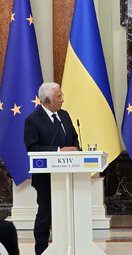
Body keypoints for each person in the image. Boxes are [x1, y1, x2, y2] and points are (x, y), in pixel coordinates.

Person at [24, 82, 79, 255]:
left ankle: (69, 247)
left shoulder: (64, 115)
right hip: (46, 177)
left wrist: (76, 149)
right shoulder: (33, 120)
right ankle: (41, 251)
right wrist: (57, 151)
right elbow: (32, 148)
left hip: (69, 175)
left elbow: (74, 138)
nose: (62, 100)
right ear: (47, 100)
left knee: (69, 215)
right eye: (59, 97)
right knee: (45, 215)